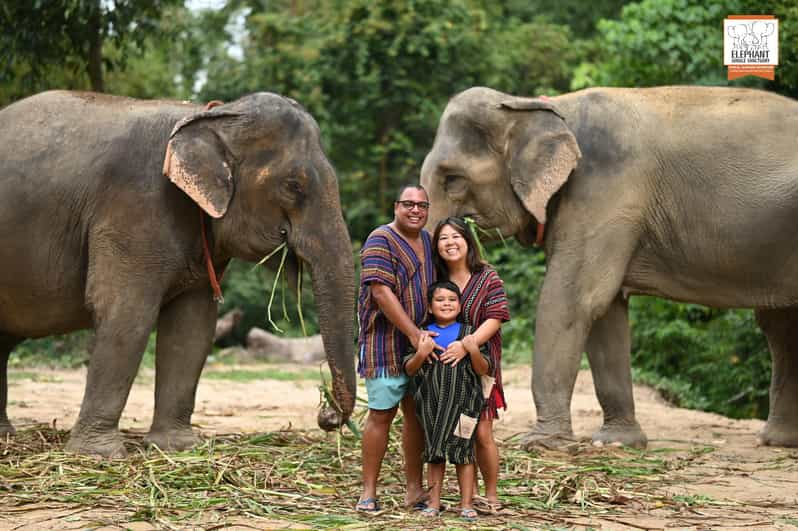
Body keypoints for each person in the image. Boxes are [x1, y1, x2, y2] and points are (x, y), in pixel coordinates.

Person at [355, 184, 436, 513]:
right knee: (381, 414)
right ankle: (368, 492)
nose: (415, 210)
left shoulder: (429, 241)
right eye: (408, 204)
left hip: (422, 343)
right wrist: (414, 334)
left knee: (416, 416)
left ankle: (414, 490)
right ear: (395, 206)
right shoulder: (380, 239)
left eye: (422, 205)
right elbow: (380, 292)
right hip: (386, 344)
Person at [432, 216, 510, 513]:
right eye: (443, 238)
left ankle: (490, 494)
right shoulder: (437, 279)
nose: (450, 243)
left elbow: (497, 316)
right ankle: (470, 492)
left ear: (467, 241)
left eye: (456, 237)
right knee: (459, 431)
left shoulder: (487, 277)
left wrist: (470, 344)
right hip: (448, 370)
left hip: (481, 365)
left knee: (482, 432)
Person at [403, 281, 493, 521]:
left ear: (460, 305)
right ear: (430, 307)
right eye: (440, 300)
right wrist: (422, 354)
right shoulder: (423, 334)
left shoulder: (469, 333)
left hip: (465, 405)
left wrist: (472, 349)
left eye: (452, 299)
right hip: (432, 406)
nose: (446, 304)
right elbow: (409, 369)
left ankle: (466, 505)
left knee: (464, 453)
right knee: (434, 453)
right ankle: (433, 503)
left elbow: (483, 367)